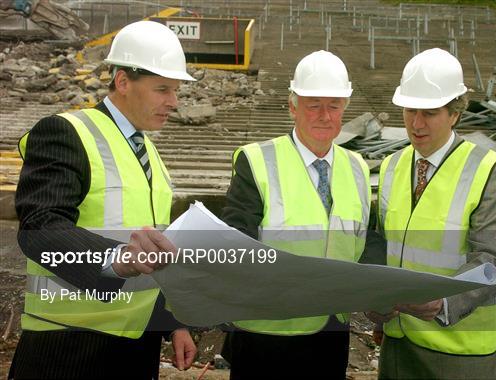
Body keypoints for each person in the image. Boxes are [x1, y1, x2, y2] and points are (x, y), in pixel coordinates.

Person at [9, 21, 197, 379]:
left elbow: (152, 248)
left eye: (175, 91)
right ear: (123, 82)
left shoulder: (150, 154)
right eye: (162, 89)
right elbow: (40, 227)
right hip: (69, 345)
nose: (173, 102)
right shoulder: (67, 131)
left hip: (134, 343)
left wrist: (173, 322)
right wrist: (116, 258)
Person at [220, 50, 374, 380]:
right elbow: (236, 240)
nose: (324, 115)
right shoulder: (257, 162)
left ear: (344, 108)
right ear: (292, 106)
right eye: (312, 104)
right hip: (265, 338)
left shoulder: (358, 169)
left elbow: (366, 243)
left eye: (333, 105)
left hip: (331, 337)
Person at [367, 48, 496, 379]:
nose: (416, 124)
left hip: (460, 350)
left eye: (430, 113)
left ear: (455, 114)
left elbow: (494, 256)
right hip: (398, 341)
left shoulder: (488, 171)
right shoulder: (392, 167)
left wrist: (443, 303)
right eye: (410, 110)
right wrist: (373, 296)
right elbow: (382, 241)